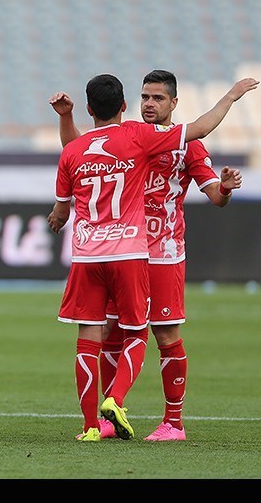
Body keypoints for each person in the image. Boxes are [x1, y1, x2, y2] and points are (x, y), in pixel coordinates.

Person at [47, 74, 257, 442]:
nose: (150, 103)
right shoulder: (129, 134)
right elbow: (83, 149)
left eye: (158, 98)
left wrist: (224, 186)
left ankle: (173, 423)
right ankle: (111, 414)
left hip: (162, 253)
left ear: (174, 104)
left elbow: (216, 198)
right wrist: (66, 118)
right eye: (145, 96)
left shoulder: (186, 146)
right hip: (126, 251)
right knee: (113, 331)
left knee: (165, 333)